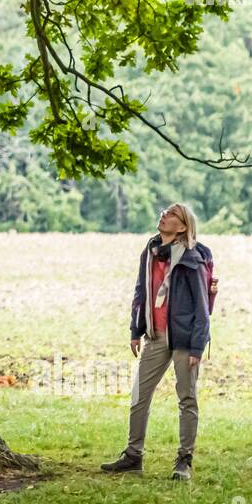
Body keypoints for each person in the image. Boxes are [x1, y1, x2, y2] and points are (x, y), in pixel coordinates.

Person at [101, 202, 215, 481]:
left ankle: (184, 461)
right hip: (155, 335)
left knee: (187, 398)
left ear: (183, 226)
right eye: (165, 211)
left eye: (172, 214)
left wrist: (198, 346)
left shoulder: (191, 258)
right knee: (139, 395)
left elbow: (202, 306)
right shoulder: (151, 252)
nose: (164, 215)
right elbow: (142, 291)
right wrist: (135, 329)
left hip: (185, 338)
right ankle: (133, 456)